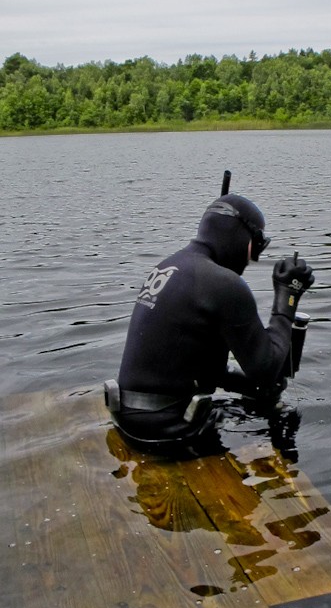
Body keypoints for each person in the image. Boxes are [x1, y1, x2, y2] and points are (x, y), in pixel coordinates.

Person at [104, 190, 314, 456]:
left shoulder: (169, 267)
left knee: (251, 407)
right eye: (257, 245)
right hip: (169, 433)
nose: (253, 259)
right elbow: (266, 368)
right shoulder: (223, 283)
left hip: (128, 420)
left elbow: (200, 369)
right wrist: (287, 297)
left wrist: (249, 388)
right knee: (281, 425)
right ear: (242, 236)